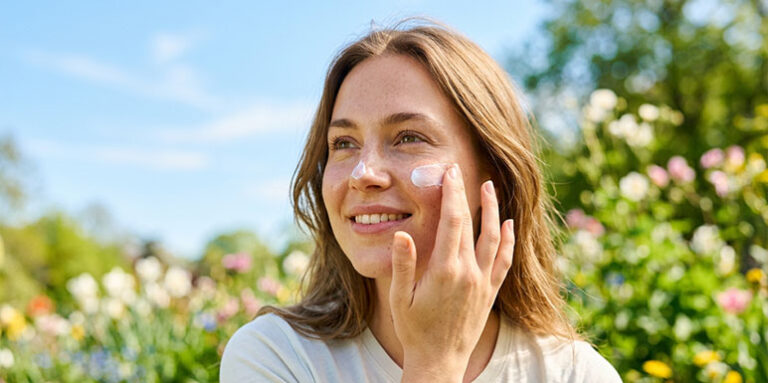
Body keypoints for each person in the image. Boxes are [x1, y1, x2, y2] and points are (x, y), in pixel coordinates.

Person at [220, 19, 622, 383]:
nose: (363, 173)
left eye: (408, 137)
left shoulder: (575, 374)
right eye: (344, 143)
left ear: (495, 176)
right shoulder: (274, 357)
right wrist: (434, 364)